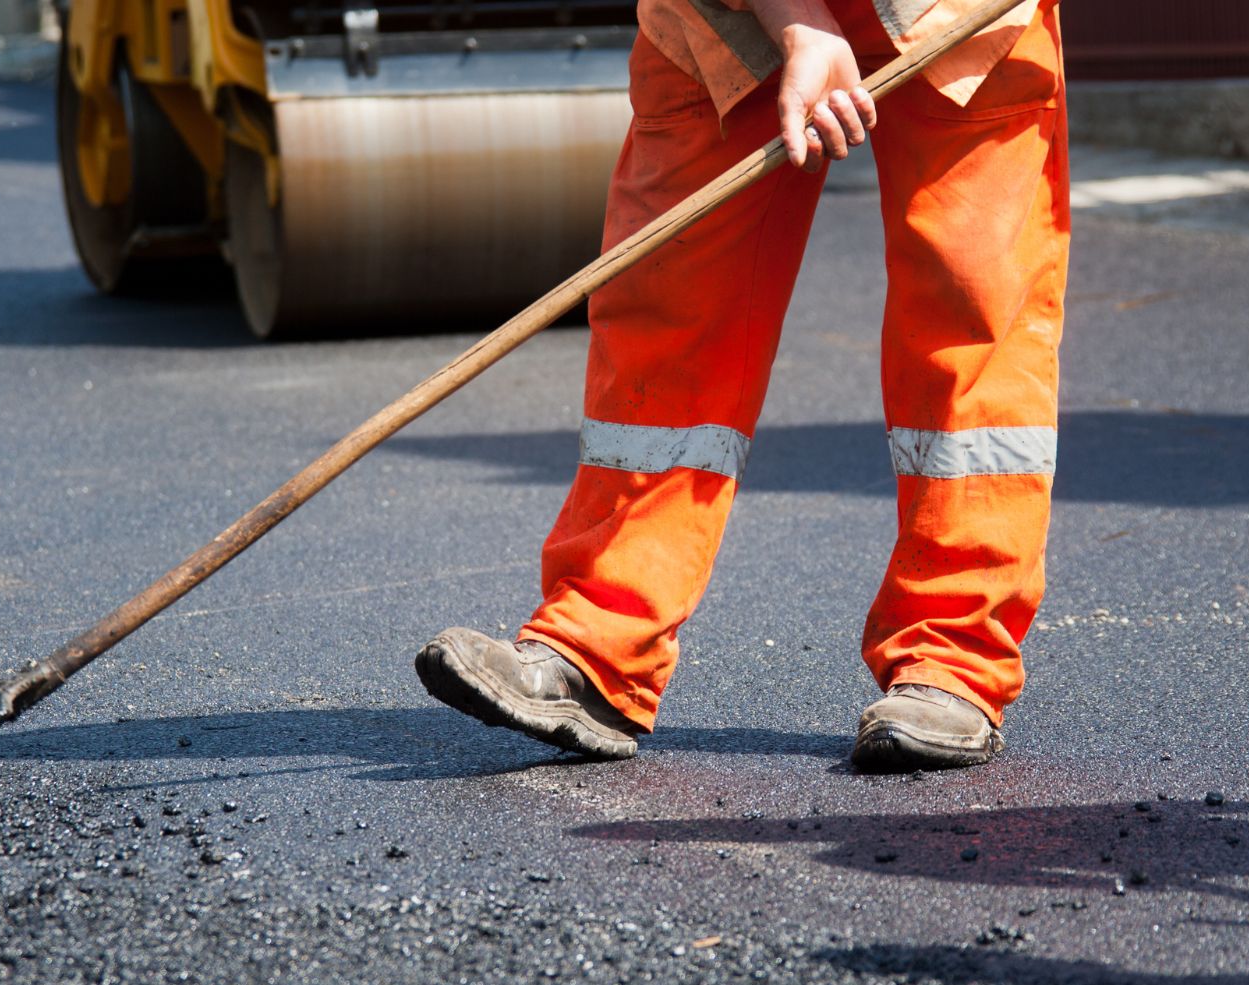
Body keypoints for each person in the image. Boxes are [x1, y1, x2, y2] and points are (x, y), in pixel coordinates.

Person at [416, 0, 1068, 771]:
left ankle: (952, 661)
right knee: (669, 306)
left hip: (961, 17)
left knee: (973, 313)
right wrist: (798, 24)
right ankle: (597, 645)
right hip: (725, 20)